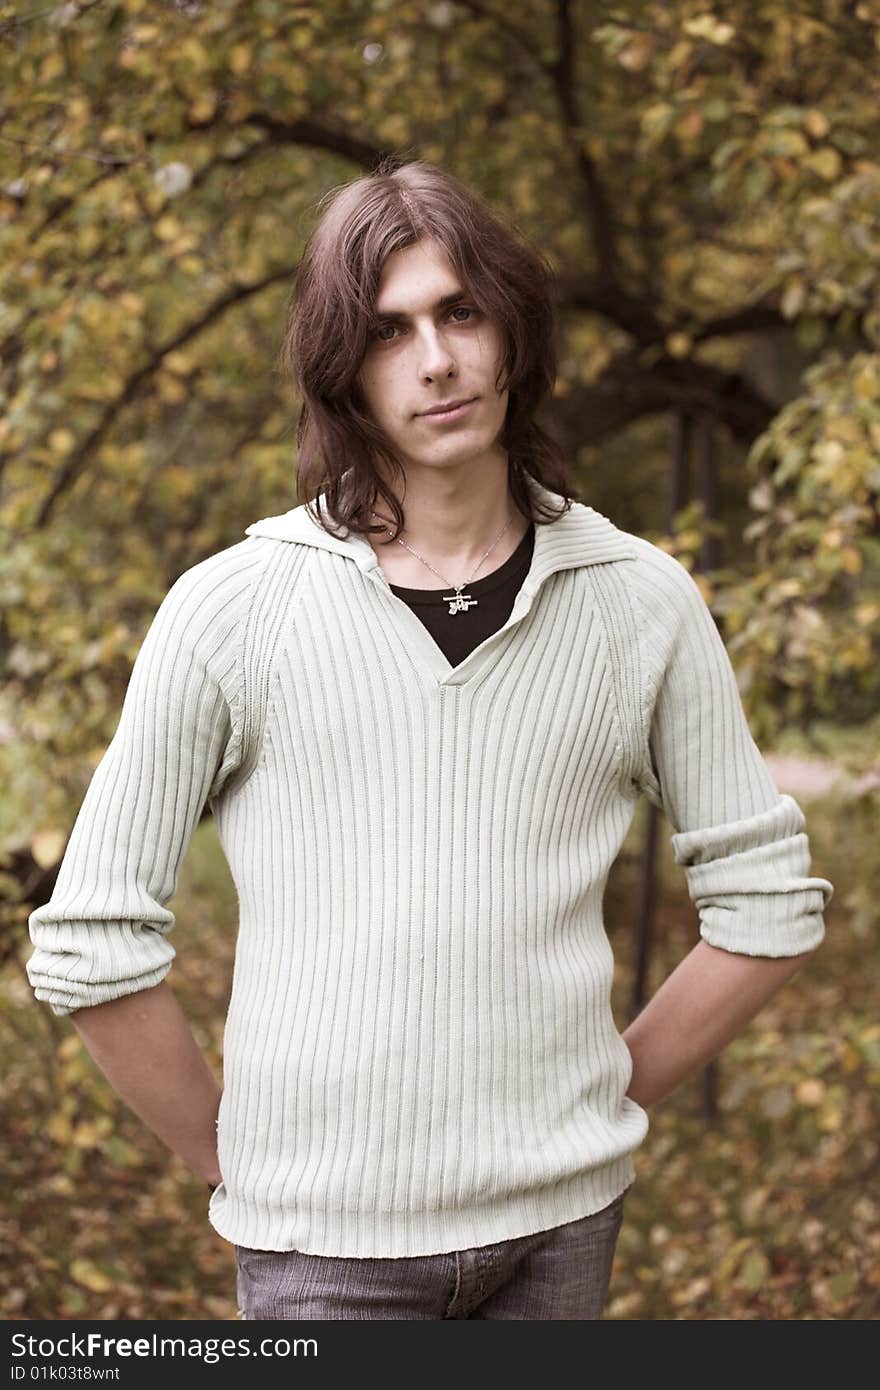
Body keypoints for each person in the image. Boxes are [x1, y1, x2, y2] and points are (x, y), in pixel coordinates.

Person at [26, 157, 834, 1321]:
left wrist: (602, 1094)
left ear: (512, 329)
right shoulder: (234, 608)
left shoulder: (638, 601)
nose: (438, 360)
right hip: (321, 1251)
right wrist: (237, 1161)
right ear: (339, 370)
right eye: (389, 330)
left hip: (559, 1234)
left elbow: (767, 905)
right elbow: (92, 940)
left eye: (460, 312)